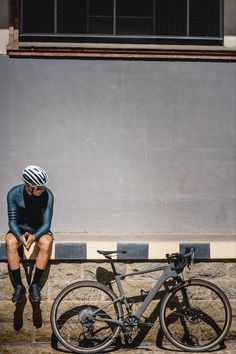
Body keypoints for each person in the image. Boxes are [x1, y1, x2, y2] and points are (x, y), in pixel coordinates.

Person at [6, 165, 54, 303]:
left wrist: (34, 237)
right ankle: (19, 286)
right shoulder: (13, 194)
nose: (42, 190)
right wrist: (19, 236)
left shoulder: (48, 195)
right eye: (38, 188)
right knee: (10, 242)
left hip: (39, 229)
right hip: (19, 229)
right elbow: (12, 221)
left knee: (46, 242)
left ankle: (35, 284)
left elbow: (47, 224)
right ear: (28, 186)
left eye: (43, 186)